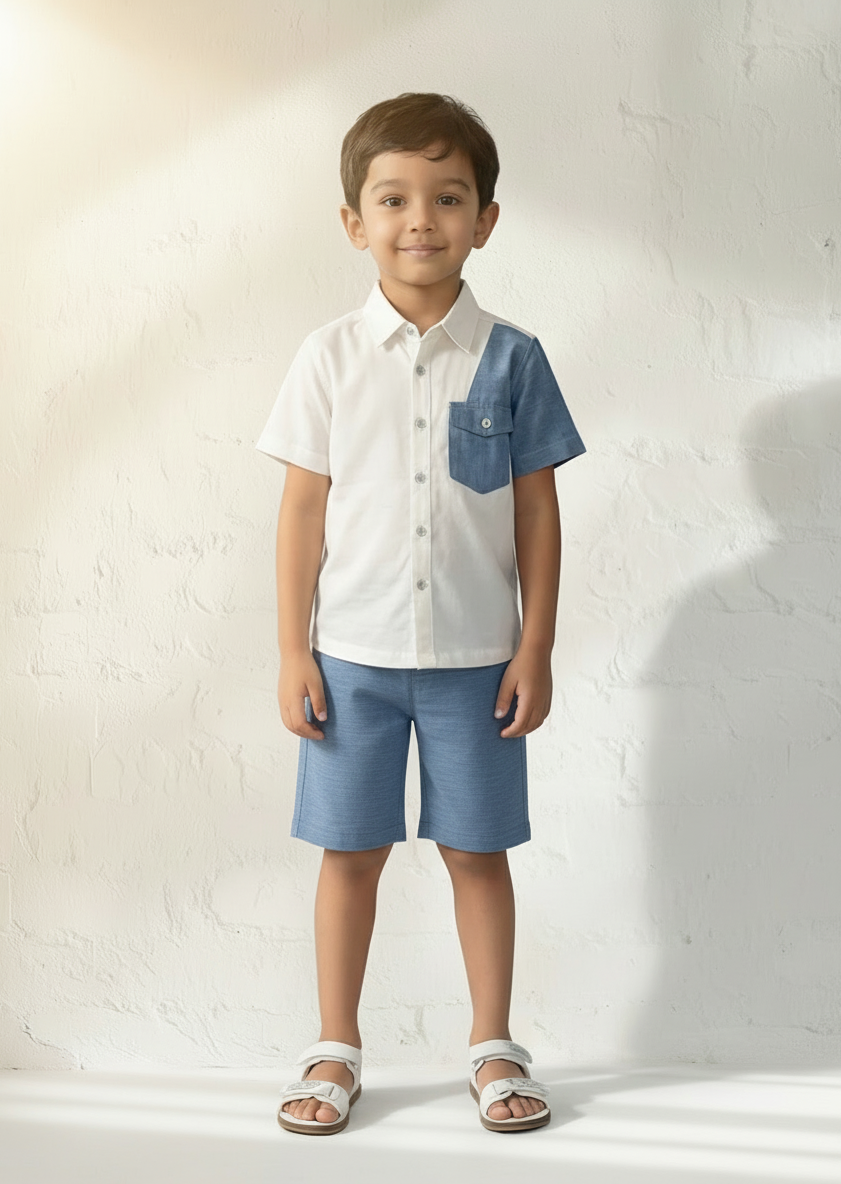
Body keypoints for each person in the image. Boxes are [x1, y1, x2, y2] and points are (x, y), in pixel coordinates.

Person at [256, 92, 586, 1135]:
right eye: (393, 198)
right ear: (354, 220)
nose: (420, 220)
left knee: (475, 852)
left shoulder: (515, 357)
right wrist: (288, 650)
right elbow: (301, 508)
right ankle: (334, 1046)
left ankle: (494, 1044)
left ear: (486, 217)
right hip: (348, 660)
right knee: (347, 854)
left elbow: (537, 505)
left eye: (448, 198)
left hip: (478, 663)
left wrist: (535, 643)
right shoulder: (326, 358)